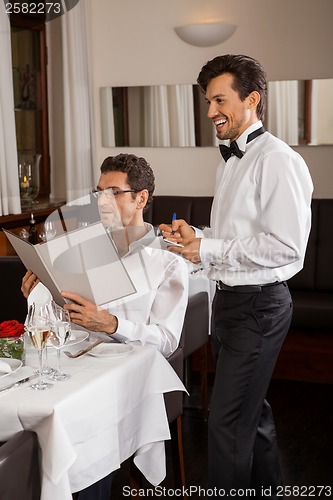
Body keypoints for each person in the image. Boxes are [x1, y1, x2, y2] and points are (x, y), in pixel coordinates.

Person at [160, 54, 313, 498]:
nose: (210, 112)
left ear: (252, 99)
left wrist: (208, 248)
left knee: (226, 423)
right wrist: (198, 237)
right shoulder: (230, 160)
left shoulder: (278, 160)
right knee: (252, 415)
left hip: (258, 309)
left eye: (219, 100)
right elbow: (238, 239)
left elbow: (286, 247)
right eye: (208, 102)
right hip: (228, 304)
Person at [21, 153, 189, 499]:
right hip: (74, 364)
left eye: (113, 192)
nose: (102, 202)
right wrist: (38, 291)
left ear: (140, 198)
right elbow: (58, 311)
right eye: (98, 193)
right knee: (38, 418)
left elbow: (168, 340)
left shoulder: (168, 261)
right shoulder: (82, 251)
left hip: (129, 374)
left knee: (87, 434)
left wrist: (113, 323)